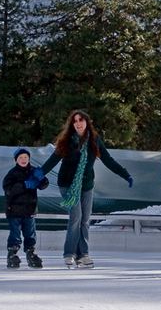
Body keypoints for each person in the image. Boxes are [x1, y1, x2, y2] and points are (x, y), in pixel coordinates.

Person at [39, 110, 134, 269]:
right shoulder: (66, 141)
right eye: (75, 121)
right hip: (67, 184)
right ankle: (69, 254)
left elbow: (108, 160)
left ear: (87, 122)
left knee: (84, 220)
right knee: (76, 217)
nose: (78, 123)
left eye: (81, 120)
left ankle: (83, 256)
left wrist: (125, 174)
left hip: (86, 185)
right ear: (72, 124)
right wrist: (37, 175)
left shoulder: (94, 141)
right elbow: (52, 160)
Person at [3, 148, 49, 269]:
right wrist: (24, 185)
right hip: (14, 210)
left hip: (29, 210)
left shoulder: (33, 171)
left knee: (30, 234)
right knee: (15, 234)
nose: (23, 160)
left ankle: (31, 253)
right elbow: (8, 189)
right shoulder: (12, 173)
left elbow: (43, 186)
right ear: (16, 160)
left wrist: (42, 179)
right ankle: (12, 254)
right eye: (20, 158)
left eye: (25, 157)